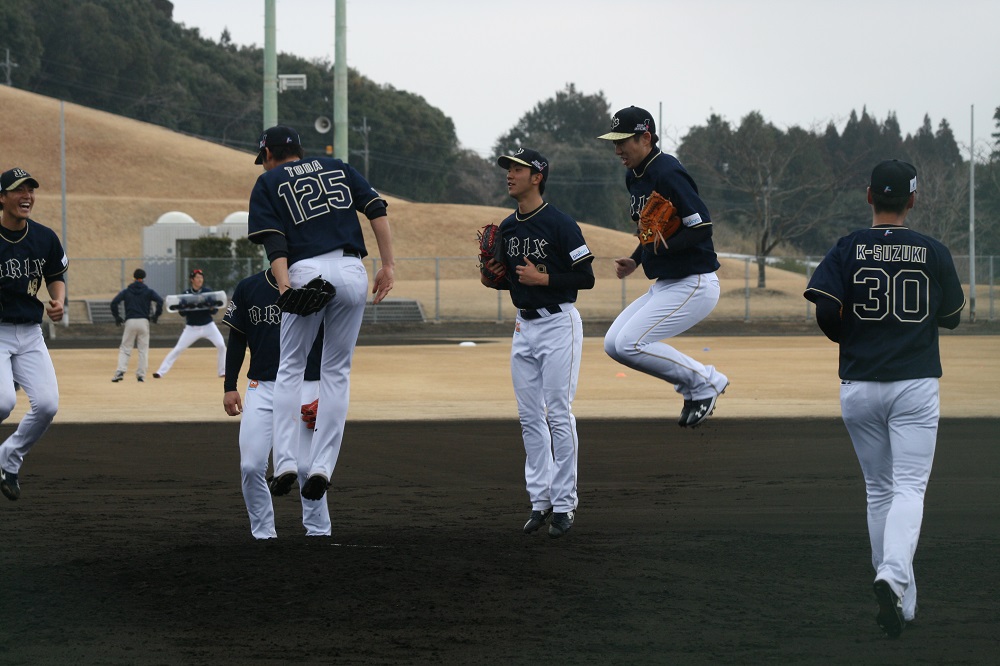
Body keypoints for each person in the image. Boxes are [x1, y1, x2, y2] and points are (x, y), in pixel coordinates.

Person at [804, 159, 966, 638]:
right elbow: (954, 316)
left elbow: (824, 308)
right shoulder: (932, 251)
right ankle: (893, 576)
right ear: (912, 199)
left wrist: (852, 336)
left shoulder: (848, 247)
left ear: (869, 195)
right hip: (914, 384)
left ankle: (900, 599)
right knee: (909, 488)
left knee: (879, 490)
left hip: (858, 385)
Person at [247, 125, 395, 502]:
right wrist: (389, 265)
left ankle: (284, 463)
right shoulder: (338, 167)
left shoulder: (269, 183)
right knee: (336, 371)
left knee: (291, 368)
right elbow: (376, 209)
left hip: (305, 271)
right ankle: (323, 467)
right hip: (350, 271)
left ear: (268, 155)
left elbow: (274, 241)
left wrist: (283, 287)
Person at [482, 148, 595, 538]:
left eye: (518, 169)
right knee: (530, 416)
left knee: (558, 414)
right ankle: (540, 500)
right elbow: (504, 279)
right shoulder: (508, 227)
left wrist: (544, 280)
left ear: (537, 177)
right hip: (522, 327)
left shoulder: (561, 223)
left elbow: (587, 278)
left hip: (558, 323)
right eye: (508, 169)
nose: (509, 174)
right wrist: (493, 277)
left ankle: (564, 504)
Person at [597, 106, 728, 428]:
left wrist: (658, 247)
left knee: (630, 343)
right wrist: (637, 257)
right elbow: (651, 231)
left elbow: (702, 226)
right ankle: (696, 387)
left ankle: (705, 381)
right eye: (614, 142)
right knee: (614, 343)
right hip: (667, 283)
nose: (617, 150)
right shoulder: (634, 177)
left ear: (645, 137)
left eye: (623, 142)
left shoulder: (668, 172)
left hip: (694, 282)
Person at [222, 268, 330, 539]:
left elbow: (336, 343)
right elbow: (237, 338)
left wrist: (325, 395)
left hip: (307, 385)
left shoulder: (317, 285)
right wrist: (230, 386)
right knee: (251, 465)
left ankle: (318, 532)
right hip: (262, 386)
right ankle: (263, 534)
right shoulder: (249, 287)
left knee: (306, 467)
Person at [0, 168, 68, 502]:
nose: (26, 195)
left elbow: (57, 274)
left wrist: (59, 302)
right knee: (3, 401)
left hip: (29, 332)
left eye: (30, 189)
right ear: (1, 197)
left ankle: (8, 459)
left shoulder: (44, 237)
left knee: (47, 405)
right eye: (17, 190)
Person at [153, 268, 226, 378]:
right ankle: (160, 372)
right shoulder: (186, 294)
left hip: (208, 325)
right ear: (192, 280)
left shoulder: (207, 292)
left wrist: (210, 306)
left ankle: (222, 371)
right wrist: (183, 308)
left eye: (201, 277)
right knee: (178, 349)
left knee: (221, 345)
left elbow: (215, 310)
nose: (200, 280)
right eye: (197, 277)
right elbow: (182, 313)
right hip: (192, 327)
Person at [110, 268, 164, 383]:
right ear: (144, 279)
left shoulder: (127, 291)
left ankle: (120, 371)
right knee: (143, 350)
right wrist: (156, 316)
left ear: (133, 278)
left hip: (130, 321)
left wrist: (117, 317)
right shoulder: (148, 291)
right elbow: (160, 301)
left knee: (125, 348)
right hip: (143, 321)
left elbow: (114, 302)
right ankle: (141, 375)